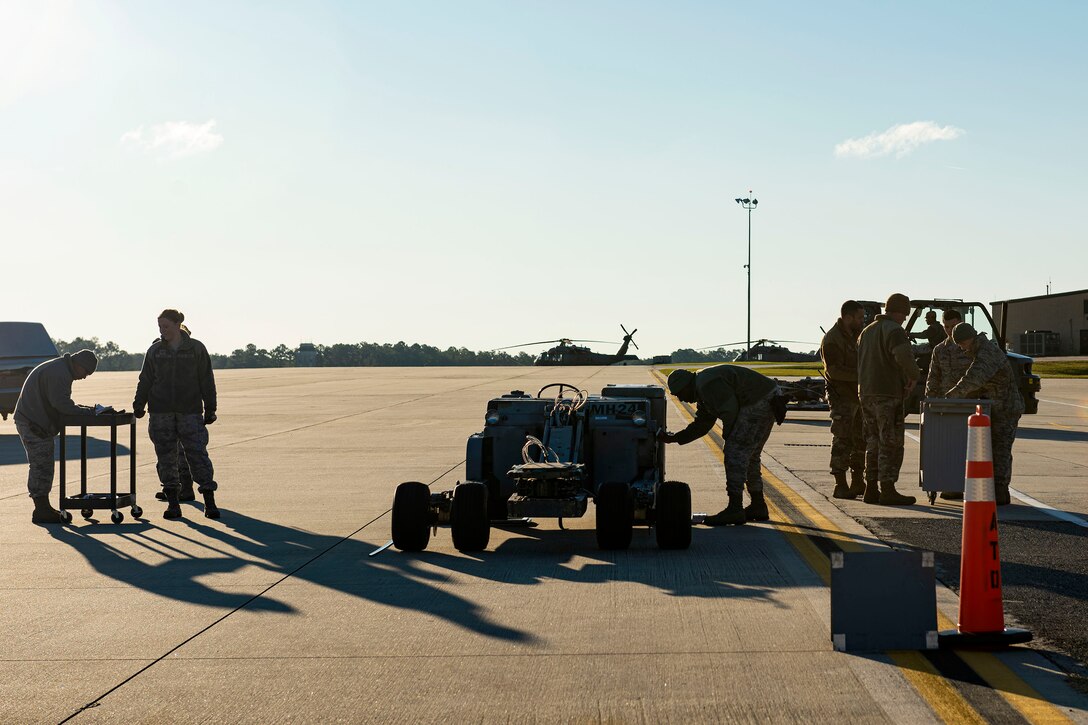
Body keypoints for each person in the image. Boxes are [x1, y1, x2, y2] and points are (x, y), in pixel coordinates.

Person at [659, 365, 780, 525]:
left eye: (680, 394)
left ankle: (735, 508)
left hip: (758, 400)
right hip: (766, 396)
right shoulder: (702, 390)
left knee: (734, 454)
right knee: (750, 455)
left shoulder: (707, 384)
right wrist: (675, 438)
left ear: (687, 386)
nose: (681, 399)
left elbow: (730, 411)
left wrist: (730, 438)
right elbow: (702, 424)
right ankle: (758, 506)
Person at [133, 309, 220, 520]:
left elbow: (206, 379)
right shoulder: (154, 351)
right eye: (160, 327)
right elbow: (145, 379)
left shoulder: (196, 349)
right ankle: (173, 503)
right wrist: (139, 403)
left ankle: (209, 502)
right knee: (166, 457)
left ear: (178, 324)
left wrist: (210, 408)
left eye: (166, 327)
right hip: (160, 411)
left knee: (197, 454)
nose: (163, 331)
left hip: (189, 411)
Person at [13, 349, 99, 523]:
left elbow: (59, 402)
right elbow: (61, 404)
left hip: (33, 420)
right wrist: (85, 412)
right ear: (78, 364)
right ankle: (41, 510)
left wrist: (82, 410)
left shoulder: (60, 368)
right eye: (86, 372)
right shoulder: (60, 373)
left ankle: (43, 506)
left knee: (43, 464)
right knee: (41, 466)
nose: (85, 377)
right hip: (33, 422)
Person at [946, 322, 1024, 506]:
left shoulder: (987, 353)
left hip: (1006, 408)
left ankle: (1001, 492)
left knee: (1000, 450)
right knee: (993, 450)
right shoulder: (980, 350)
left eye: (962, 344)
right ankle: (995, 491)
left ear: (968, 339)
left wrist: (950, 396)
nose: (961, 349)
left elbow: (974, 378)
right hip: (996, 407)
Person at [857, 293, 920, 506]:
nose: (904, 318)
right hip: (888, 394)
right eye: (905, 313)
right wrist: (913, 375)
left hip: (866, 393)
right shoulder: (894, 331)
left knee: (872, 441)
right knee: (890, 442)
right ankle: (888, 488)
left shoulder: (866, 331)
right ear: (900, 311)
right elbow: (903, 356)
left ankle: (871, 488)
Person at [924, 309, 973, 500]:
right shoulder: (940, 350)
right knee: (949, 448)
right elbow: (932, 379)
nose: (950, 331)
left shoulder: (971, 346)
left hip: (970, 405)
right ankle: (952, 485)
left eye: (953, 326)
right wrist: (931, 403)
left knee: (971, 449)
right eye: (946, 327)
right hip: (947, 408)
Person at [820, 300, 867, 499]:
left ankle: (858, 481)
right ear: (848, 317)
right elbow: (834, 371)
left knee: (860, 439)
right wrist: (862, 376)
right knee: (842, 439)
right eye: (859, 317)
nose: (862, 321)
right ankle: (840, 484)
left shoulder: (857, 335)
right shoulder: (832, 339)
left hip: (857, 397)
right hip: (841, 397)